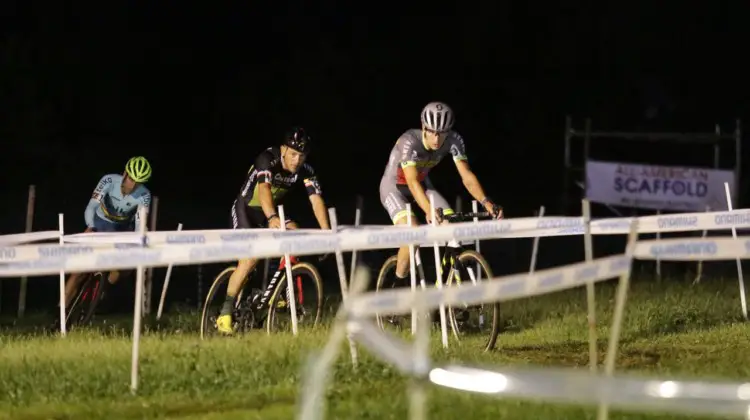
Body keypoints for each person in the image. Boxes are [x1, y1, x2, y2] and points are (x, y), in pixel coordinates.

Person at [216, 127, 331, 334]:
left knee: (295, 232)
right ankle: (225, 312)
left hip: (270, 212)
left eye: (302, 156)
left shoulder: (306, 171)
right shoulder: (267, 159)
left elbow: (316, 200)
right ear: (284, 149)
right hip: (246, 210)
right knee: (249, 260)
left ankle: (279, 290)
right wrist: (271, 217)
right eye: (294, 154)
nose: (297, 160)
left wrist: (326, 233)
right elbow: (264, 189)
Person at [378, 101, 503, 285]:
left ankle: (443, 293)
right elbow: (412, 182)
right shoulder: (409, 142)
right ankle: (397, 283)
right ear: (424, 128)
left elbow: (466, 176)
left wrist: (487, 202)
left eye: (442, 133)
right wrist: (429, 210)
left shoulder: (455, 140)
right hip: (394, 188)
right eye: (432, 132)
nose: (437, 138)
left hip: (423, 186)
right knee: (413, 231)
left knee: (452, 226)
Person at [63, 156, 153, 307]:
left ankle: (102, 289)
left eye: (138, 182)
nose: (133, 185)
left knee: (124, 268)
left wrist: (137, 240)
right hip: (99, 224)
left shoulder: (144, 196)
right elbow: (91, 207)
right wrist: (90, 227)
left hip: (121, 231)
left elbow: (139, 223)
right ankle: (60, 310)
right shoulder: (109, 180)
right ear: (124, 173)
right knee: (78, 272)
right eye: (131, 179)